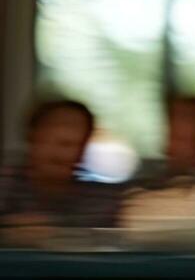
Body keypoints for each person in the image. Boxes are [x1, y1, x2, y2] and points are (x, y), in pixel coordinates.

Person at [0, 99, 122, 236]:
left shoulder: (102, 200)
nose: (61, 155)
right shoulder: (5, 185)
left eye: (72, 144)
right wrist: (9, 233)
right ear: (32, 139)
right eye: (54, 142)